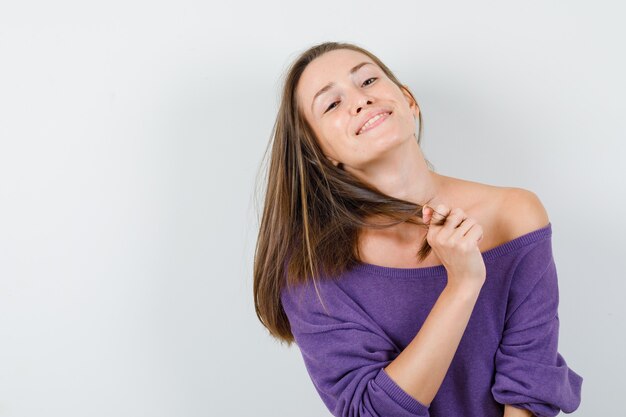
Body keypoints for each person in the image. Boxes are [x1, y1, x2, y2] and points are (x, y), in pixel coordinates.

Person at [253, 41, 583, 417]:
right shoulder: (312, 271)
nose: (359, 101)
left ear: (408, 100)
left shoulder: (515, 216)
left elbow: (530, 385)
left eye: (368, 80)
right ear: (322, 152)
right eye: (331, 104)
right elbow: (370, 411)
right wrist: (461, 286)